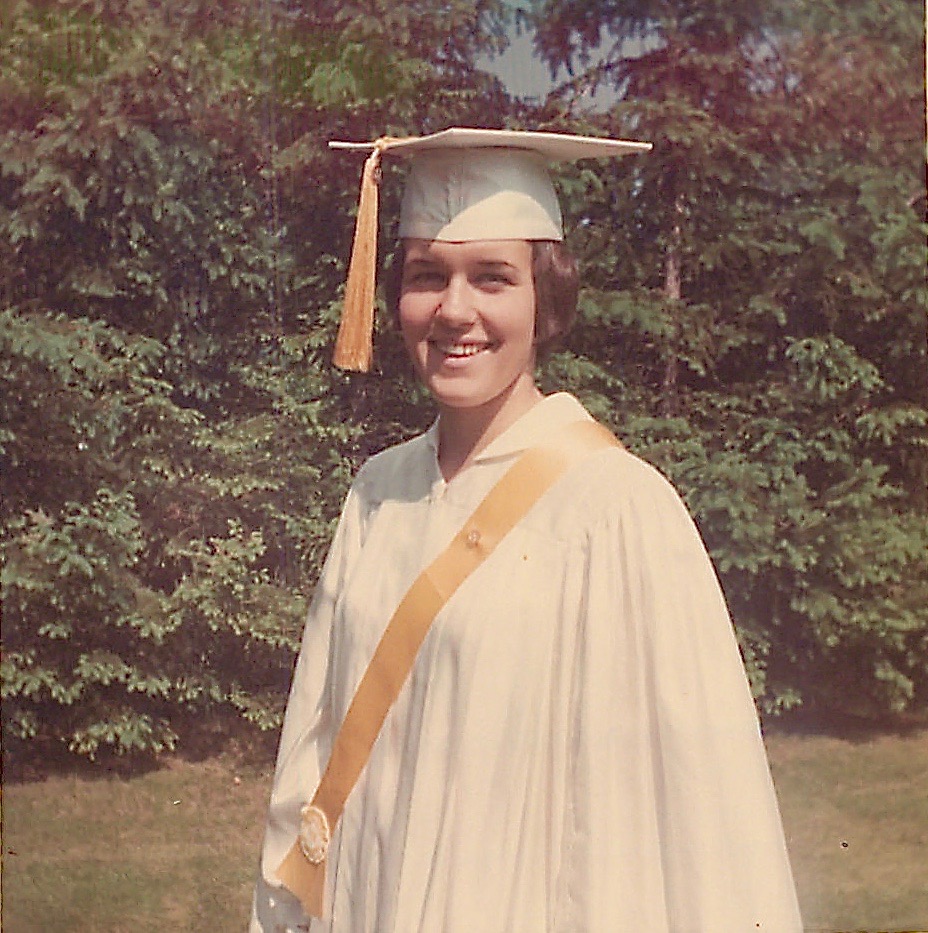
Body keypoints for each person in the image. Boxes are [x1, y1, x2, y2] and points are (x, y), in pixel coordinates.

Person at [250, 128, 802, 932]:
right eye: (427, 276)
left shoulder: (616, 508)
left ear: (545, 301)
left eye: (493, 278)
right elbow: (312, 745)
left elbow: (690, 808)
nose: (454, 309)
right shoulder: (377, 492)